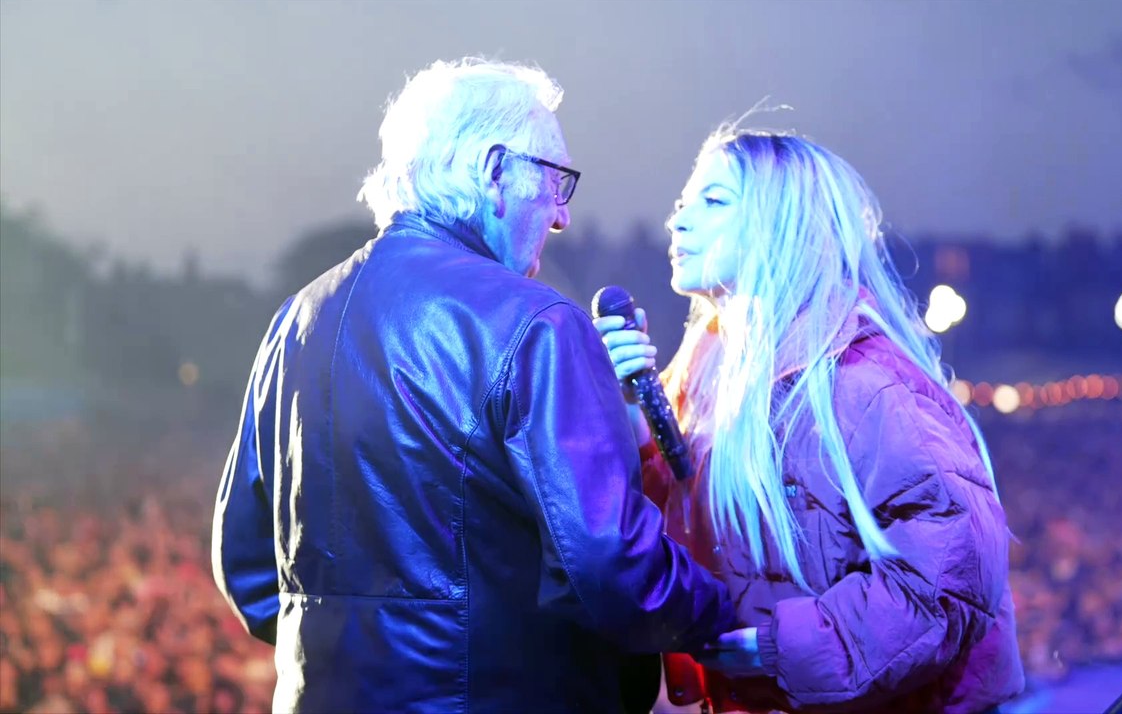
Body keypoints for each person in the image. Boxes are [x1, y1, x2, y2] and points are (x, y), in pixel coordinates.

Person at [211, 58, 735, 714]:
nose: (562, 216)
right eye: (555, 182)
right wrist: (726, 607)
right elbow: (612, 570)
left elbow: (251, 572)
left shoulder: (294, 321)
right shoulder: (538, 322)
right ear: (494, 171)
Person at [594, 123, 1025, 713]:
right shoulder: (705, 366)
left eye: (714, 201)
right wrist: (628, 418)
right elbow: (678, 519)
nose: (679, 220)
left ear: (785, 223)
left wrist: (782, 649)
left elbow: (950, 580)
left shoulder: (863, 382)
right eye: (681, 203)